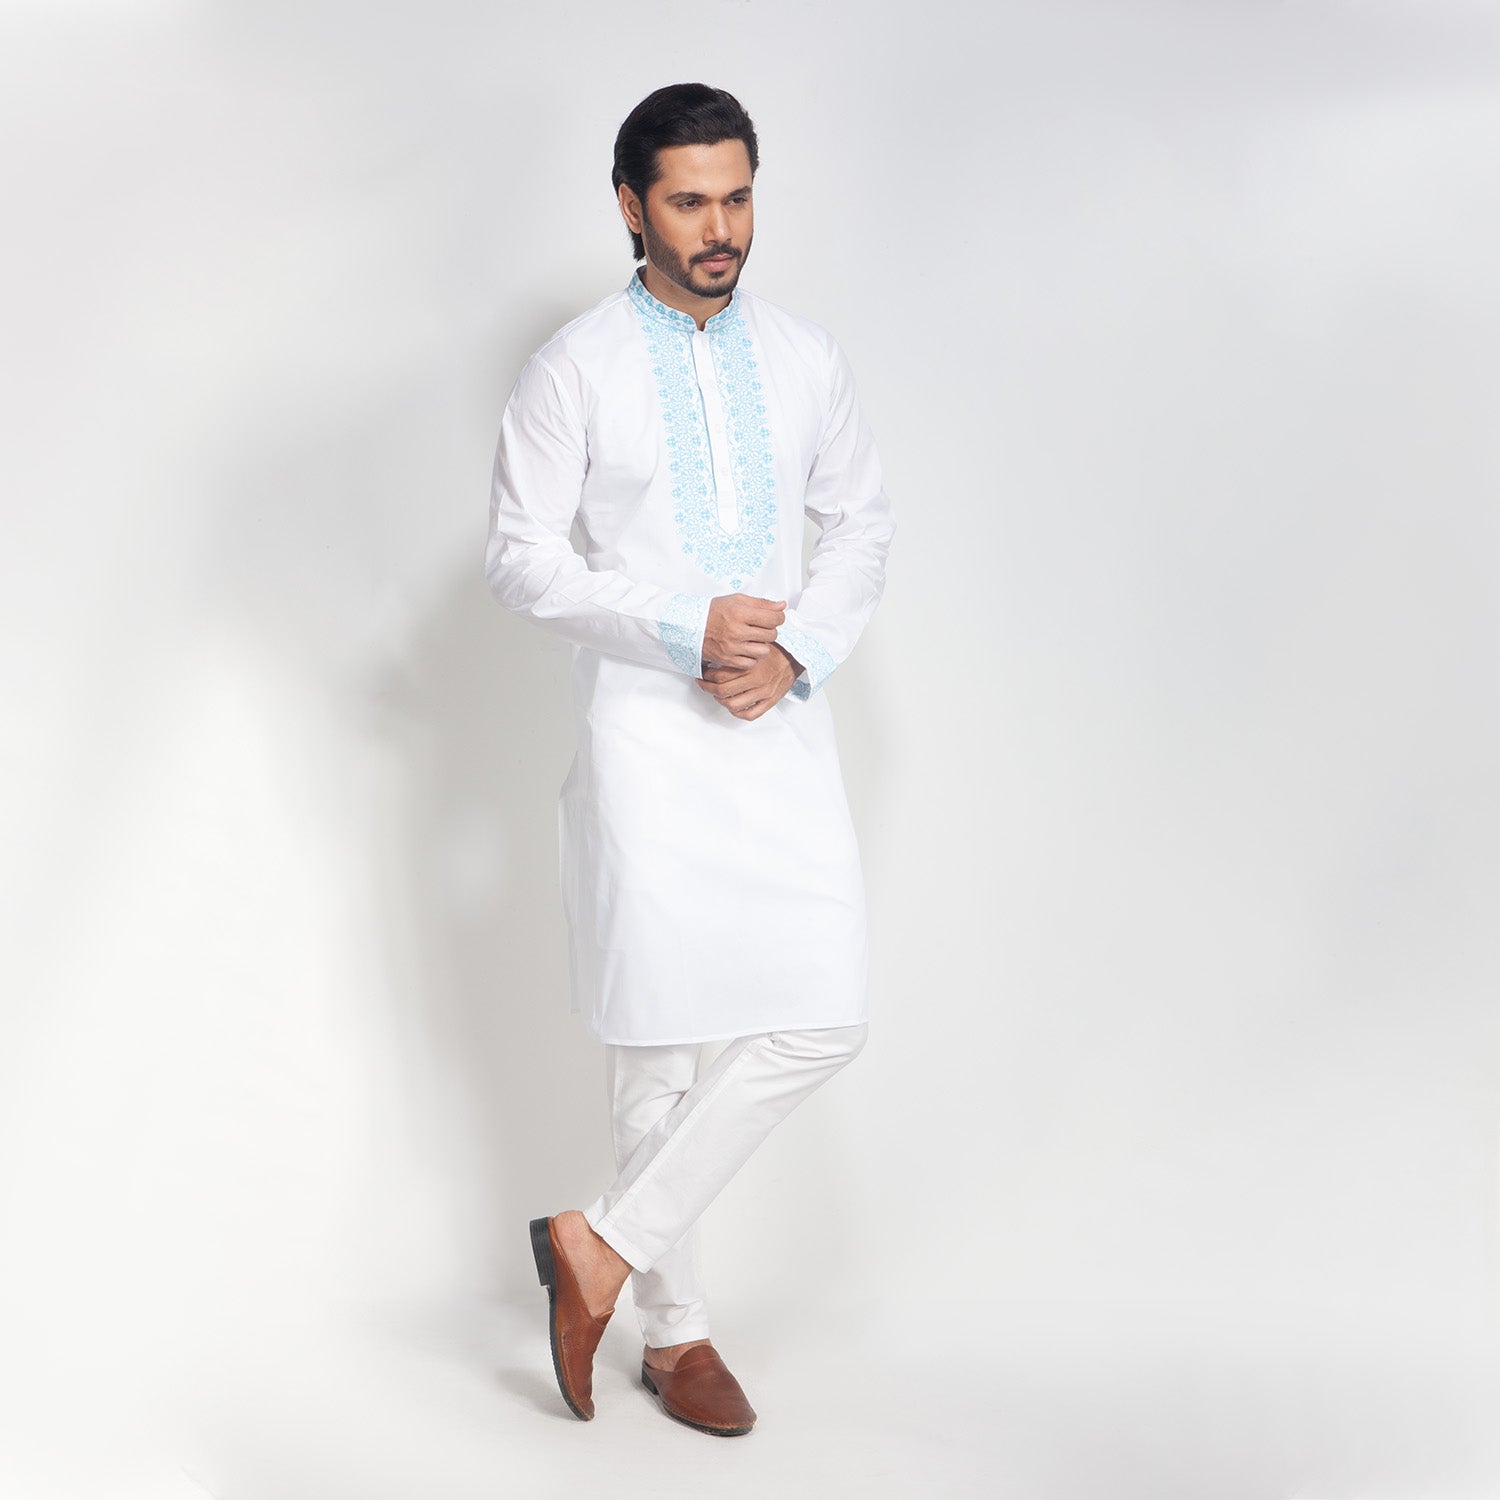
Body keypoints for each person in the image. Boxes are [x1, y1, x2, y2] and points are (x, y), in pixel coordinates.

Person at [485, 82, 895, 1436]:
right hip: (644, 740)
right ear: (630, 206)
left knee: (822, 1013)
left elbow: (860, 526)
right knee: (658, 1055)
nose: (720, 228)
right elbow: (520, 559)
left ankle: (596, 1245)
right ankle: (676, 1334)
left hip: (777, 726)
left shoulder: (807, 358)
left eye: (737, 197)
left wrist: (798, 652)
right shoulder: (574, 369)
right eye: (689, 201)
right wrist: (682, 626)